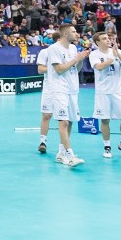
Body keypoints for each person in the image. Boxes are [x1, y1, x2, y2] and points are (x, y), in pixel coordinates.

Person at [44, 23, 90, 167]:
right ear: (65, 34)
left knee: (70, 121)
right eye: (74, 31)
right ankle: (70, 155)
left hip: (72, 89)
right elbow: (59, 69)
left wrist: (80, 59)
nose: (76, 34)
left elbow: (75, 69)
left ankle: (61, 153)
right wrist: (76, 59)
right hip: (59, 89)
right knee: (63, 122)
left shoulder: (73, 47)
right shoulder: (53, 49)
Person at [89, 31, 121, 159]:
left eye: (108, 38)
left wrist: (118, 56)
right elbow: (99, 67)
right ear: (98, 42)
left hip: (118, 91)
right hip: (103, 92)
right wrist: (112, 58)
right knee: (105, 119)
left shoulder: (117, 51)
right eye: (104, 38)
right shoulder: (94, 54)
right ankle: (107, 146)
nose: (108, 40)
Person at [36, 42, 54, 154]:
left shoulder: (70, 51)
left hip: (65, 89)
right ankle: (43, 142)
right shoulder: (45, 52)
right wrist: (56, 68)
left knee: (65, 120)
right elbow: (40, 69)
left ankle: (64, 147)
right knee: (46, 115)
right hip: (49, 89)